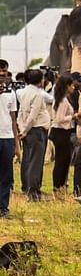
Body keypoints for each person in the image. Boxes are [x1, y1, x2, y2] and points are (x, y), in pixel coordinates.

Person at [16, 69, 53, 202]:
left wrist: (22, 128)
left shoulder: (23, 92)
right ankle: (33, 193)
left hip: (28, 130)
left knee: (27, 159)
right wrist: (25, 130)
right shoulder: (38, 94)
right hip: (36, 130)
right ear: (40, 80)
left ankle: (27, 187)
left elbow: (21, 112)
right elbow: (33, 115)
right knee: (36, 162)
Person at [48, 75, 78, 198]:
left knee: (63, 161)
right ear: (67, 86)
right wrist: (73, 116)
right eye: (71, 85)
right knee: (62, 162)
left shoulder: (61, 98)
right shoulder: (63, 100)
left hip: (60, 132)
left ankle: (60, 186)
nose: (73, 87)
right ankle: (58, 187)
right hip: (61, 132)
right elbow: (59, 119)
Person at [0, 67, 18, 217]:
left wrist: (17, 144)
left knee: (6, 175)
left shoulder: (10, 93)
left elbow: (13, 119)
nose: (2, 77)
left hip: (7, 138)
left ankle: (3, 208)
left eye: (4, 75)